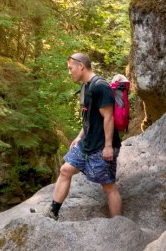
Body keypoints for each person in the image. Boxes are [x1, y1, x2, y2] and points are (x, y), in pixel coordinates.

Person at [46, 52, 122, 220]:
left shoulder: (100, 86)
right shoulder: (86, 86)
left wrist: (108, 146)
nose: (69, 72)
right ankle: (53, 213)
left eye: (70, 68)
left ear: (81, 66)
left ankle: (118, 225)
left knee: (109, 187)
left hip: (101, 145)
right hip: (87, 143)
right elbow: (89, 116)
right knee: (65, 170)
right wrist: (80, 136)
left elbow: (108, 117)